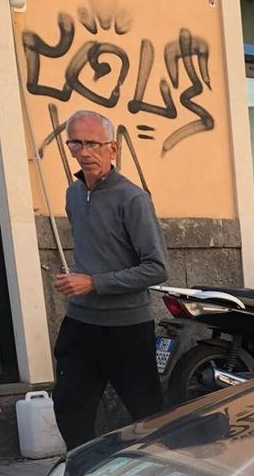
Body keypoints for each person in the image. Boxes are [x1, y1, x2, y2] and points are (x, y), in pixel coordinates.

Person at [52, 110, 168, 450]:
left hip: (127, 329)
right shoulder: (73, 194)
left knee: (148, 417)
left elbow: (157, 268)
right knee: (69, 408)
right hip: (81, 323)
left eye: (93, 144)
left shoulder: (132, 199)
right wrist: (82, 284)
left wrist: (94, 283)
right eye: (76, 143)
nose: (85, 152)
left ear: (112, 149)